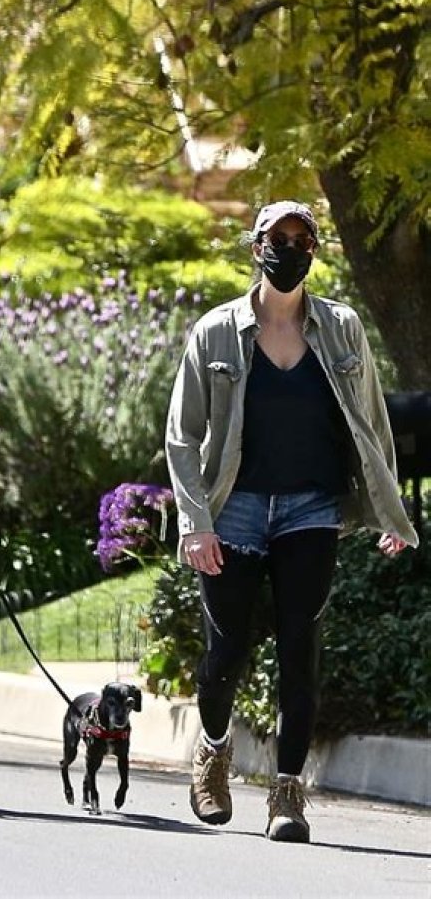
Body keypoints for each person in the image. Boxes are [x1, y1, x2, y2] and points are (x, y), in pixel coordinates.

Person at [165, 200, 418, 843]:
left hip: (311, 506)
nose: (290, 248)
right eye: (279, 238)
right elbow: (182, 436)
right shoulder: (216, 332)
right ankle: (215, 750)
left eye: (302, 239)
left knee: (300, 647)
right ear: (256, 247)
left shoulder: (341, 328)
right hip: (236, 509)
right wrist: (196, 522)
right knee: (225, 653)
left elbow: (370, 423)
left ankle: (286, 793)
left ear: (315, 250)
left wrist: (388, 508)